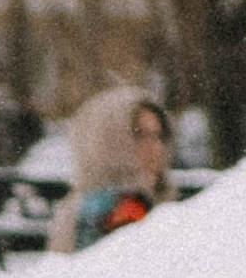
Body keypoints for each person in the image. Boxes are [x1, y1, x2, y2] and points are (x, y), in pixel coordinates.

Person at [46, 85, 173, 252]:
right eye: (140, 134)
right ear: (109, 140)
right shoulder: (104, 209)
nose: (154, 147)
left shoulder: (161, 200)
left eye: (158, 135)